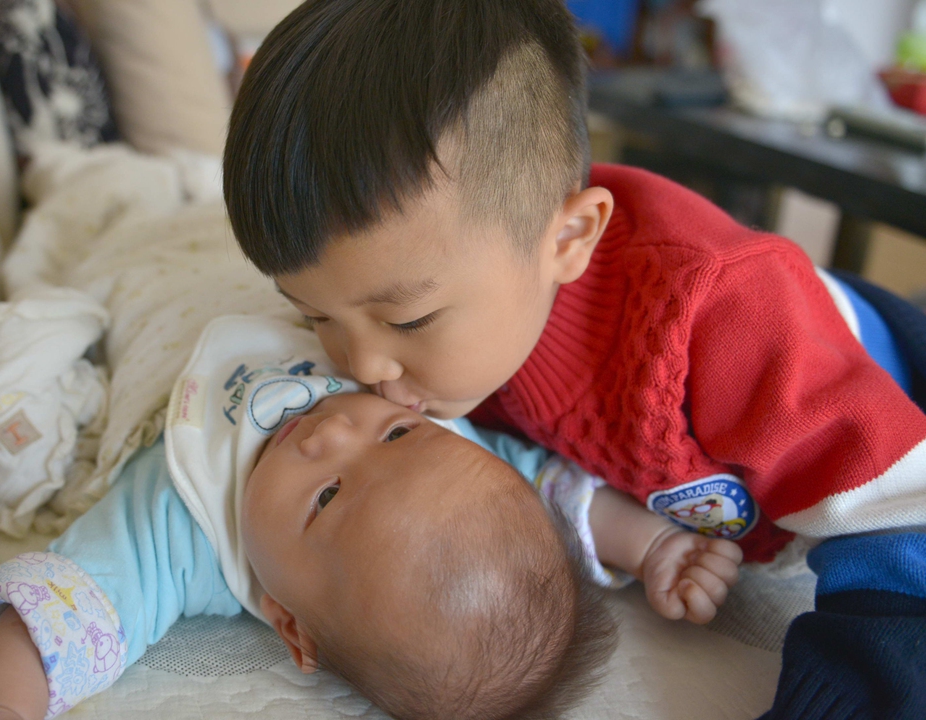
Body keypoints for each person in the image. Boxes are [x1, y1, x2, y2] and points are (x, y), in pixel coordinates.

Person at [222, 1, 926, 717]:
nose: (364, 366)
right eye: (314, 315)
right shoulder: (458, 303)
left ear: (567, 240)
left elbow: (901, 516)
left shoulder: (720, 314)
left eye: (408, 320)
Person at [0, 315, 744, 720]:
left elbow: (66, 611)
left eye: (326, 497)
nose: (333, 431)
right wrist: (651, 545)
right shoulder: (445, 448)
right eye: (395, 435)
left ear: (289, 624)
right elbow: (545, 490)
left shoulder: (190, 528)